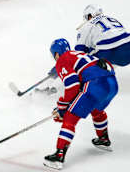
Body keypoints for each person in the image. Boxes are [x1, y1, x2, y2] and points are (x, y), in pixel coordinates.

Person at [44, 38, 118, 170]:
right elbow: (78, 86)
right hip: (112, 83)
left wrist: (62, 108)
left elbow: (72, 86)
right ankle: (103, 139)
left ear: (56, 54)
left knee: (69, 118)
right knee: (96, 109)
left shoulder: (62, 60)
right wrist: (64, 105)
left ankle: (59, 156)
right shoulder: (79, 54)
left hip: (95, 83)